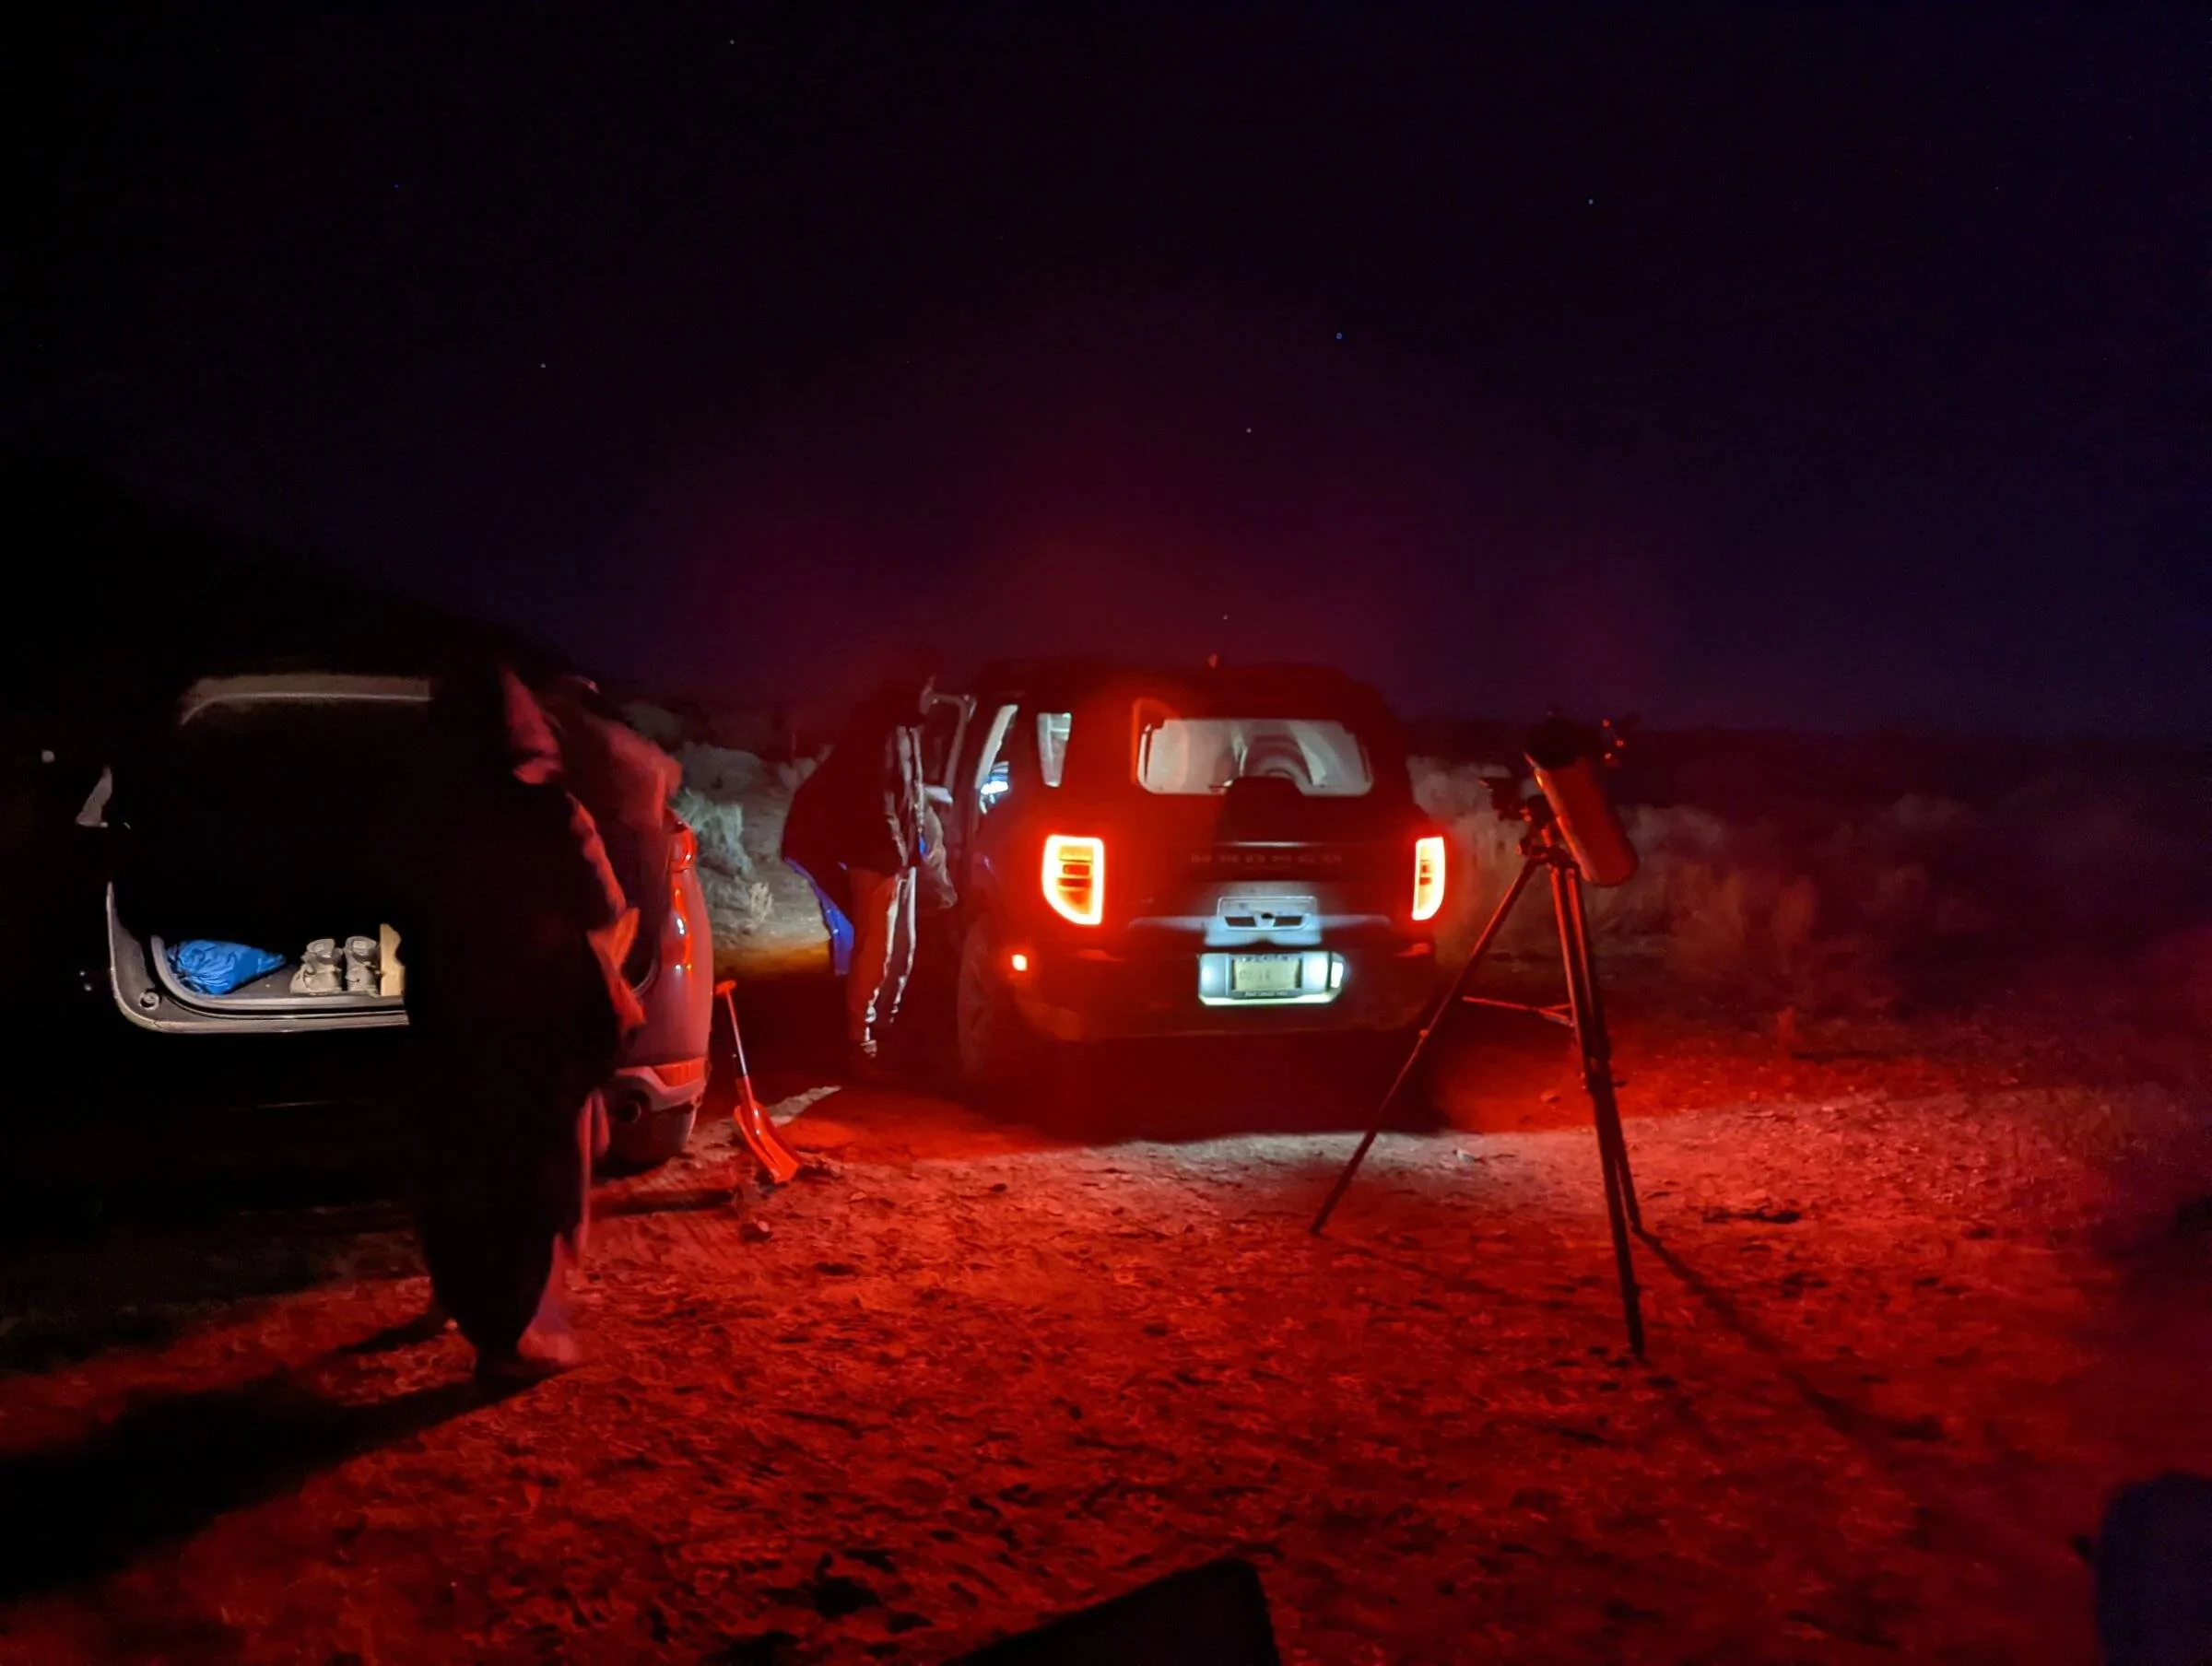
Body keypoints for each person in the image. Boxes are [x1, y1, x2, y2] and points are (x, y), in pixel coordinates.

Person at [394, 660, 645, 1380]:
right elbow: (604, 908)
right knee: (533, 1172)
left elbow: (394, 911)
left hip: (446, 1019)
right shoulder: (548, 812)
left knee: (458, 1168)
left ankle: (461, 1298)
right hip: (537, 1025)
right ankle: (513, 1339)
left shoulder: (421, 818)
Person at [782, 677, 932, 1080]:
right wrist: (896, 853)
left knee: (901, 947)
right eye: (927, 687)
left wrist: (916, 851)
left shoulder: (905, 730)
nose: (931, 696)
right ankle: (859, 1040)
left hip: (897, 859)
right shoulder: (874, 730)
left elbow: (910, 795)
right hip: (877, 859)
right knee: (875, 951)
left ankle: (883, 1030)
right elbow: (874, 799)